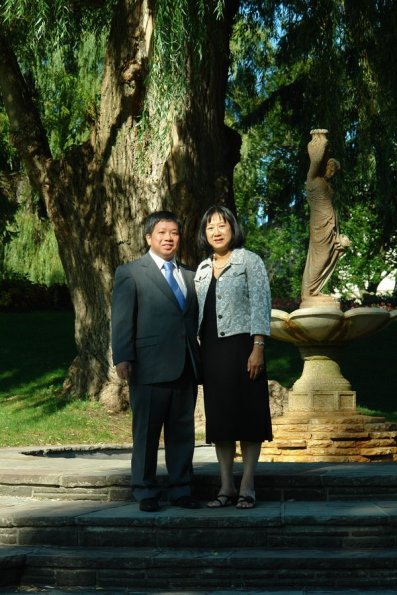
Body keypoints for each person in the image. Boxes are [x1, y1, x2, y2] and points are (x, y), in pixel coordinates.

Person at [111, 211, 201, 512]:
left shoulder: (190, 275)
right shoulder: (131, 272)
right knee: (146, 433)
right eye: (162, 232)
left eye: (174, 232)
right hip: (148, 366)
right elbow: (123, 318)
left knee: (182, 432)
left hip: (185, 365)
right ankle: (145, 490)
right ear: (149, 237)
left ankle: (181, 488)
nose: (168, 238)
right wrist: (123, 356)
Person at [194, 205, 272, 509]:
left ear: (232, 229)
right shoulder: (201, 269)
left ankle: (248, 484)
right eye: (210, 226)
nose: (216, 231)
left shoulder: (249, 261)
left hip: (244, 349)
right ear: (204, 233)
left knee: (249, 417)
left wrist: (258, 347)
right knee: (221, 421)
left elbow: (261, 305)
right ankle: (225, 486)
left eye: (222, 225)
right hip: (211, 351)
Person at [301, 129, 350, 304]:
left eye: (334, 171)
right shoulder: (313, 178)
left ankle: (315, 290)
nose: (331, 172)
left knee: (329, 255)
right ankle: (309, 292)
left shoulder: (328, 186)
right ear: (325, 166)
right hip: (319, 224)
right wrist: (321, 142)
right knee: (320, 257)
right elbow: (315, 161)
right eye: (330, 168)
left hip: (331, 225)